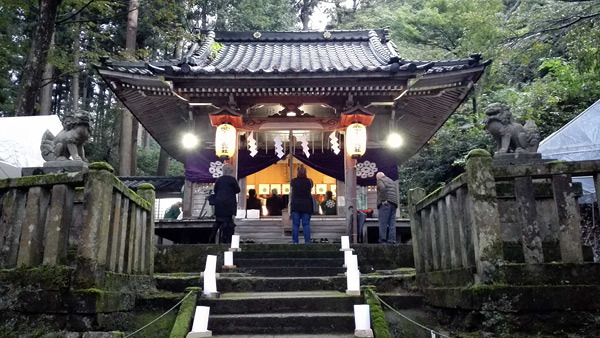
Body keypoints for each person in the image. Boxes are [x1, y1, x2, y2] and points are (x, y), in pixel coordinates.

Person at [209, 164, 240, 243]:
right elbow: (237, 190)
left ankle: (212, 237)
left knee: (218, 220)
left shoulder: (219, 180)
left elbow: (215, 190)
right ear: (230, 171)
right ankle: (226, 239)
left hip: (219, 203)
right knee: (227, 221)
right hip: (229, 203)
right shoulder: (232, 180)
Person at [290, 165, 313, 244]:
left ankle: (295, 242)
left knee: (295, 225)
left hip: (296, 205)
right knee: (306, 225)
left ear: (297, 172)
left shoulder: (293, 181)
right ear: (305, 172)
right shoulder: (309, 181)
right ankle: (307, 242)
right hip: (306, 205)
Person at [376, 172, 398, 244]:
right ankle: (392, 240)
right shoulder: (391, 181)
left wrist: (383, 200)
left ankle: (383, 240)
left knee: (383, 222)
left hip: (386, 203)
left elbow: (382, 188)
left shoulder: (380, 180)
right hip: (393, 203)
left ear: (379, 177)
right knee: (392, 223)